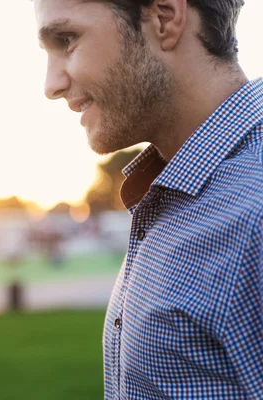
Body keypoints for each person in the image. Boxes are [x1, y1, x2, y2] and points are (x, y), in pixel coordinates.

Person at [34, 0, 263, 398]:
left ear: (164, 18)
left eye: (67, 40)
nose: (51, 85)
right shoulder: (174, 192)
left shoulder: (253, 212)